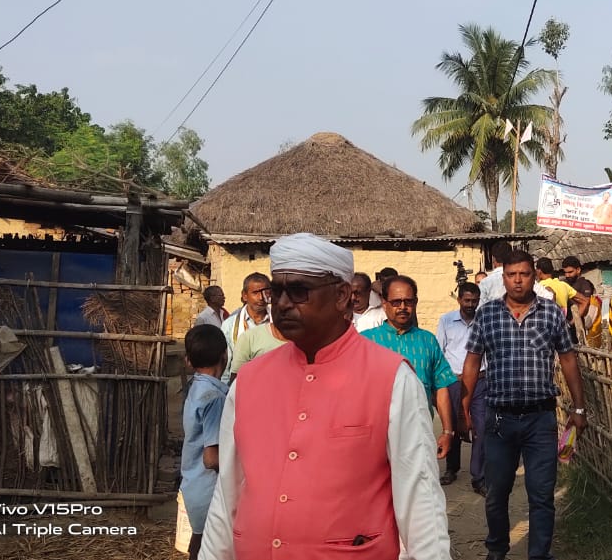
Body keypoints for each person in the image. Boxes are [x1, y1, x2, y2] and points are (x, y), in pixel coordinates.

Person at [200, 233, 450, 559]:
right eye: (277, 291)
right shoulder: (249, 380)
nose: (283, 304)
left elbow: (421, 500)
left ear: (342, 295)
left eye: (299, 291)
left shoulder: (392, 379)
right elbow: (227, 494)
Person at [462, 249, 588, 560]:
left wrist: (579, 408)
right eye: (511, 275)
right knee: (496, 493)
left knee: (542, 495)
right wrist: (464, 407)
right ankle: (497, 549)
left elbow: (568, 359)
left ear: (534, 276)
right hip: (499, 421)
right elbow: (473, 361)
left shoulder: (551, 313)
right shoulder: (487, 315)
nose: (518, 280)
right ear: (503, 277)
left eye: (524, 274)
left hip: (540, 419)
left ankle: (539, 554)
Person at [361, 275, 456, 462]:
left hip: (419, 436)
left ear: (416, 302)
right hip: (378, 439)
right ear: (384, 303)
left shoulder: (427, 340)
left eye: (408, 301)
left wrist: (447, 431)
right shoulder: (366, 341)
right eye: (396, 302)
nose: (403, 307)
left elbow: (441, 387)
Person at [180, 324, 229, 560]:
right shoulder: (215, 398)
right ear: (224, 355)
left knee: (199, 545)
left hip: (194, 484)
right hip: (209, 490)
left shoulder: (196, 387)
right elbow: (212, 459)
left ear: (188, 361)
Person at [435, 282, 481, 489]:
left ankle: (479, 475)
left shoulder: (483, 320)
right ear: (459, 299)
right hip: (454, 380)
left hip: (480, 380)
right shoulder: (446, 321)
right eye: (467, 300)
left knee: (481, 426)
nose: (470, 304)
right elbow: (440, 350)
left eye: (474, 301)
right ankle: (451, 469)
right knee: (452, 424)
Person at [220, 273, 271, 381]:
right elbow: (226, 368)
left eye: (265, 292)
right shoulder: (229, 325)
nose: (261, 298)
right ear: (244, 296)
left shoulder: (280, 322)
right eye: (255, 293)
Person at [478, 242, 552, 306]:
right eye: (511, 274)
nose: (517, 280)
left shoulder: (485, 283)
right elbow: (549, 297)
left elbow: (479, 308)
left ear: (493, 258)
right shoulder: (526, 278)